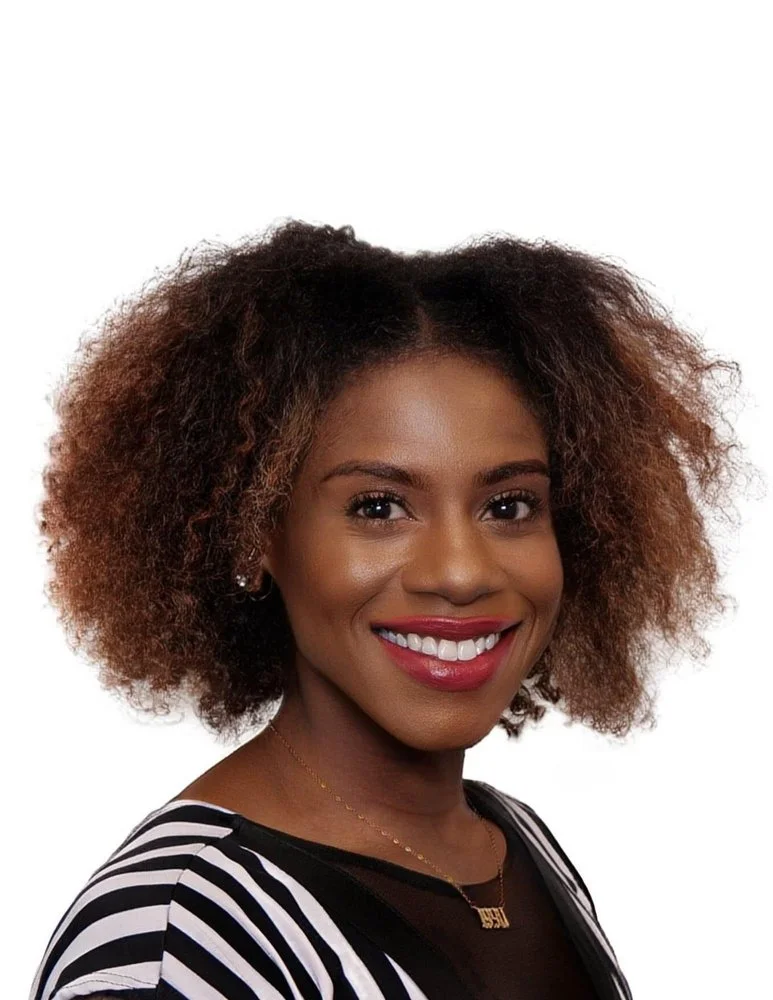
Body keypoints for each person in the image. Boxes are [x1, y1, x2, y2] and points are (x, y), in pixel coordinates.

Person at [29, 220, 748, 1000]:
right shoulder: (178, 937)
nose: (461, 571)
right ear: (256, 534)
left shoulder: (513, 844)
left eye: (508, 505)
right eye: (378, 507)